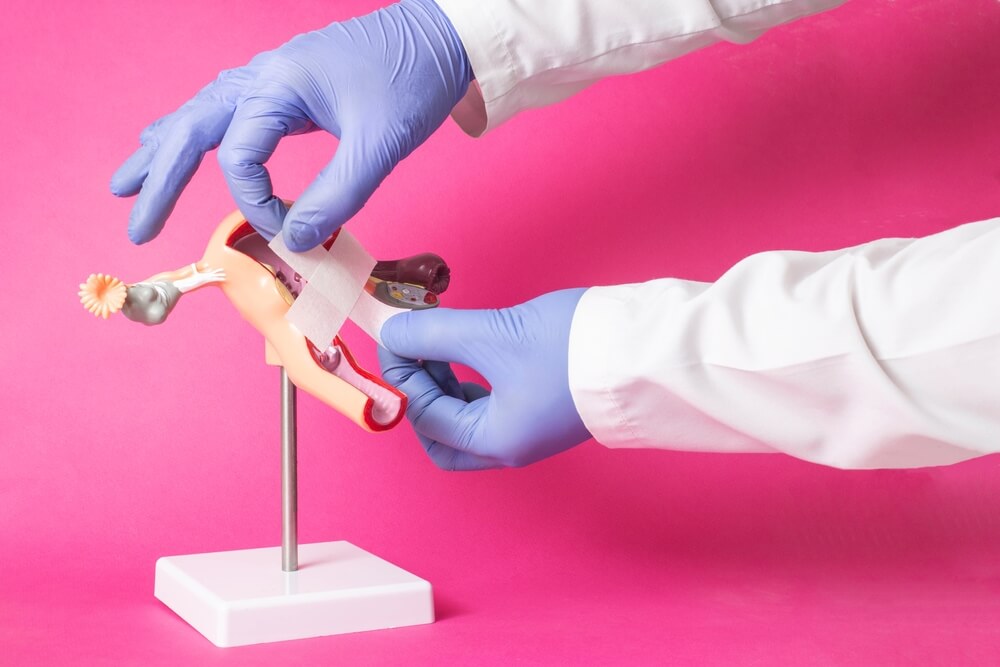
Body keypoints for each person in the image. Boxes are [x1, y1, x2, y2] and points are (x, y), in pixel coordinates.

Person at [111, 0, 1000, 471]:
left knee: (359, 331)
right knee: (327, 359)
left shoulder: (303, 265)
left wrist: (631, 359)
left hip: (352, 302)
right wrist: (467, 27)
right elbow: (190, 282)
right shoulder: (239, 262)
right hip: (314, 326)